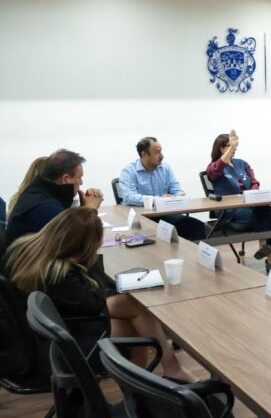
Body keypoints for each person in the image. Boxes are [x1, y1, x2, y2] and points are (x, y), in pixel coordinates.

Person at [1, 207, 197, 383]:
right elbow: (95, 304)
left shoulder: (24, 249)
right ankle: (149, 385)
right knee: (134, 326)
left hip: (33, 332)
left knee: (131, 309)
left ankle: (155, 380)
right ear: (83, 247)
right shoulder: (60, 274)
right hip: (53, 345)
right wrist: (91, 262)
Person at [206, 130, 271, 273]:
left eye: (235, 146)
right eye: (229, 146)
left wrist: (252, 194)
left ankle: (269, 252)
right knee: (263, 213)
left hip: (250, 206)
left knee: (264, 208)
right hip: (230, 211)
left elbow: (254, 182)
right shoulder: (213, 168)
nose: (234, 148)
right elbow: (217, 169)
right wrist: (231, 148)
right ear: (221, 149)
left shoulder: (242, 164)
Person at [5, 150, 103, 248]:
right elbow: (80, 244)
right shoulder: (46, 209)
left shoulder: (38, 193)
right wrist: (90, 210)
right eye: (79, 177)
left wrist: (83, 211)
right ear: (66, 179)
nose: (81, 182)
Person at [119, 137, 205, 242]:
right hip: (142, 218)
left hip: (165, 215)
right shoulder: (129, 171)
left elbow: (176, 189)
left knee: (197, 226)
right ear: (144, 154)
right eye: (157, 152)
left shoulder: (165, 168)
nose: (162, 155)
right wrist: (158, 200)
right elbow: (128, 197)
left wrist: (179, 195)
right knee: (160, 231)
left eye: (161, 151)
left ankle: (192, 253)